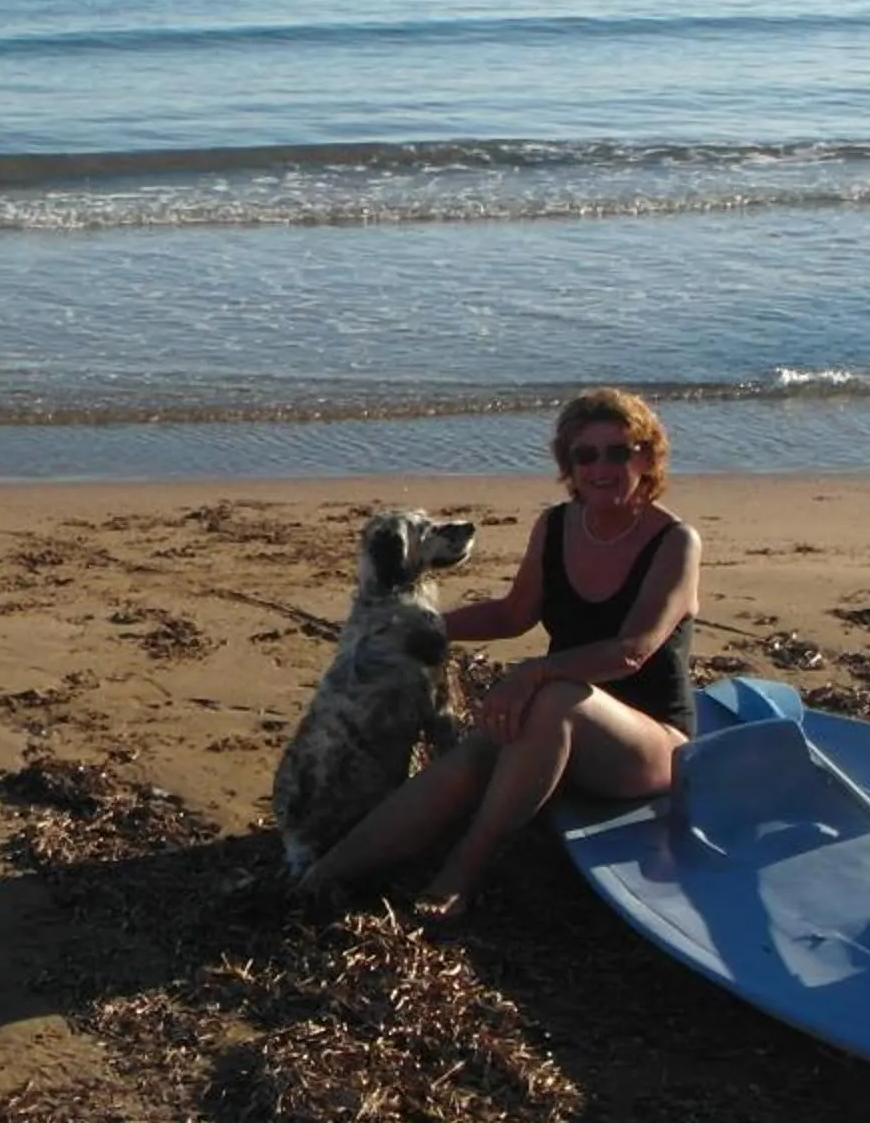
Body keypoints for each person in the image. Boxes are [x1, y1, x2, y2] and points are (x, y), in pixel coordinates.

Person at [296, 386, 700, 924]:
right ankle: (324, 874)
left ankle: (464, 868)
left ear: (645, 457)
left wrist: (534, 671)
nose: (601, 467)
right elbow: (514, 615)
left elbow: (632, 651)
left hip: (650, 745)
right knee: (476, 755)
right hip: (557, 723)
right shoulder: (555, 526)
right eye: (586, 455)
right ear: (569, 466)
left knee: (554, 698)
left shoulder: (675, 542)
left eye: (618, 452)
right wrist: (422, 629)